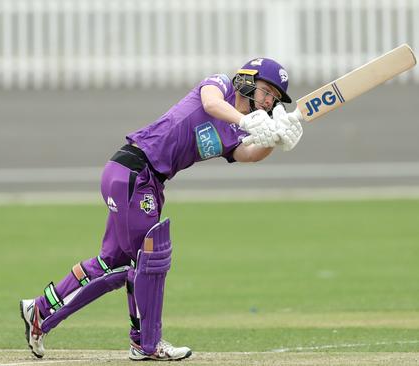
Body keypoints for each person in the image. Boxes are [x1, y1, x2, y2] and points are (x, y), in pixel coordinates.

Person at [20, 58, 303, 361]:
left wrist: (274, 139)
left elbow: (246, 154)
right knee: (147, 261)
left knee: (113, 261)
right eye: (266, 92)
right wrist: (247, 122)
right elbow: (209, 104)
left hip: (148, 181)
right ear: (247, 81)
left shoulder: (235, 130)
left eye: (274, 98)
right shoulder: (219, 85)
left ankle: (41, 307)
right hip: (135, 169)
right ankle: (143, 342)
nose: (269, 101)